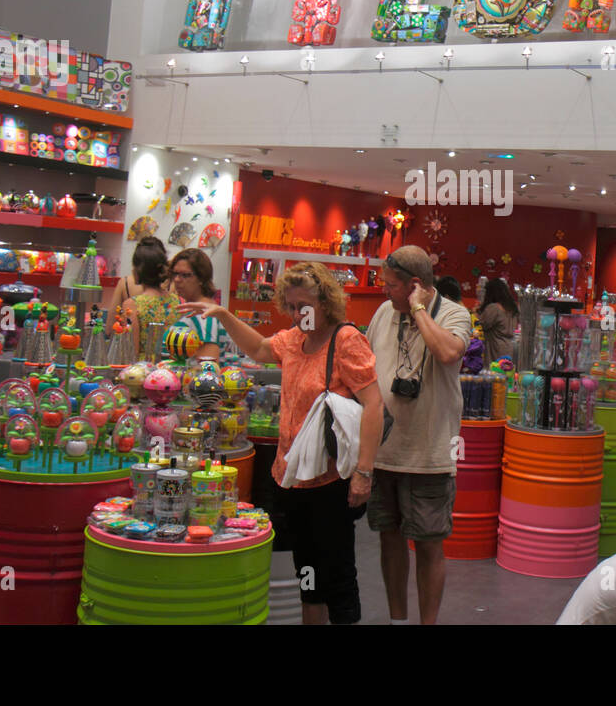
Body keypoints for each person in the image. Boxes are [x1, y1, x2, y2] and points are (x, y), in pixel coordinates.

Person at [178, 262, 384, 624]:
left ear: (325, 302)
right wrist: (224, 315)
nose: (296, 313)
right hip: (291, 475)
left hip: (330, 480)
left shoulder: (346, 340)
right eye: (290, 306)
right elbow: (258, 348)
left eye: (303, 305)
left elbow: (374, 405)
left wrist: (363, 472)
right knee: (308, 573)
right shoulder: (293, 339)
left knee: (338, 572)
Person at [366, 245, 471, 625]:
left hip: (429, 455)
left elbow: (447, 353)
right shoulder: (383, 313)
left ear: (414, 285)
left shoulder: (456, 314)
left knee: (428, 546)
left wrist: (419, 308)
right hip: (383, 451)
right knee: (388, 538)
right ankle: (397, 620)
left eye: (391, 286)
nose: (384, 292)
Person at [122, 236, 180, 360]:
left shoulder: (131, 305)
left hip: (145, 372)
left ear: (137, 271)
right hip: (173, 371)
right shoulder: (178, 302)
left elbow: (131, 352)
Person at [166, 248, 225, 361]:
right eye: (175, 274)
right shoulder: (197, 310)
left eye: (185, 275)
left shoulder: (204, 315)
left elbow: (208, 368)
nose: (177, 280)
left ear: (201, 278)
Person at [477, 277, 518, 365]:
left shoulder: (494, 308)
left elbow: (481, 324)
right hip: (509, 347)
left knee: (494, 374)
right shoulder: (512, 308)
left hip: (495, 348)